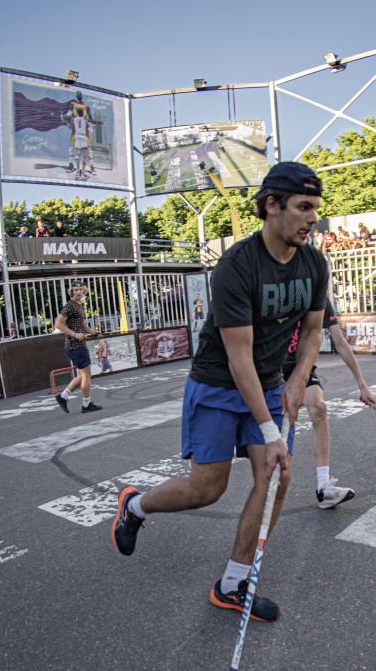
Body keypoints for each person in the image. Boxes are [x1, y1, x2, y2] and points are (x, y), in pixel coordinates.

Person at [111, 161, 329, 623]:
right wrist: (270, 431)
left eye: (315, 207)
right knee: (206, 489)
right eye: (303, 207)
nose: (313, 218)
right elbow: (238, 357)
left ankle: (233, 584)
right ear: (272, 206)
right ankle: (135, 506)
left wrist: (298, 379)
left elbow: (313, 332)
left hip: (269, 383)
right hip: (218, 384)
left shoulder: (314, 263)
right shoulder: (237, 265)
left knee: (276, 477)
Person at [283, 293, 376, 508]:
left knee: (319, 407)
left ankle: (323, 487)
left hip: (301, 366)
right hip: (271, 368)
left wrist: (362, 384)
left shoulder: (318, 295)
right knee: (280, 424)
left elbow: (340, 342)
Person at [53, 281, 102, 414]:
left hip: (79, 345)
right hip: (74, 345)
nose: (78, 292)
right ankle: (86, 405)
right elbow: (58, 324)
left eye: (80, 289)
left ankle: (63, 396)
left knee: (84, 374)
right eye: (75, 290)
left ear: (84, 291)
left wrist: (93, 332)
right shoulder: (70, 306)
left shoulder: (79, 305)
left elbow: (82, 325)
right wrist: (74, 334)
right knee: (86, 375)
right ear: (72, 292)